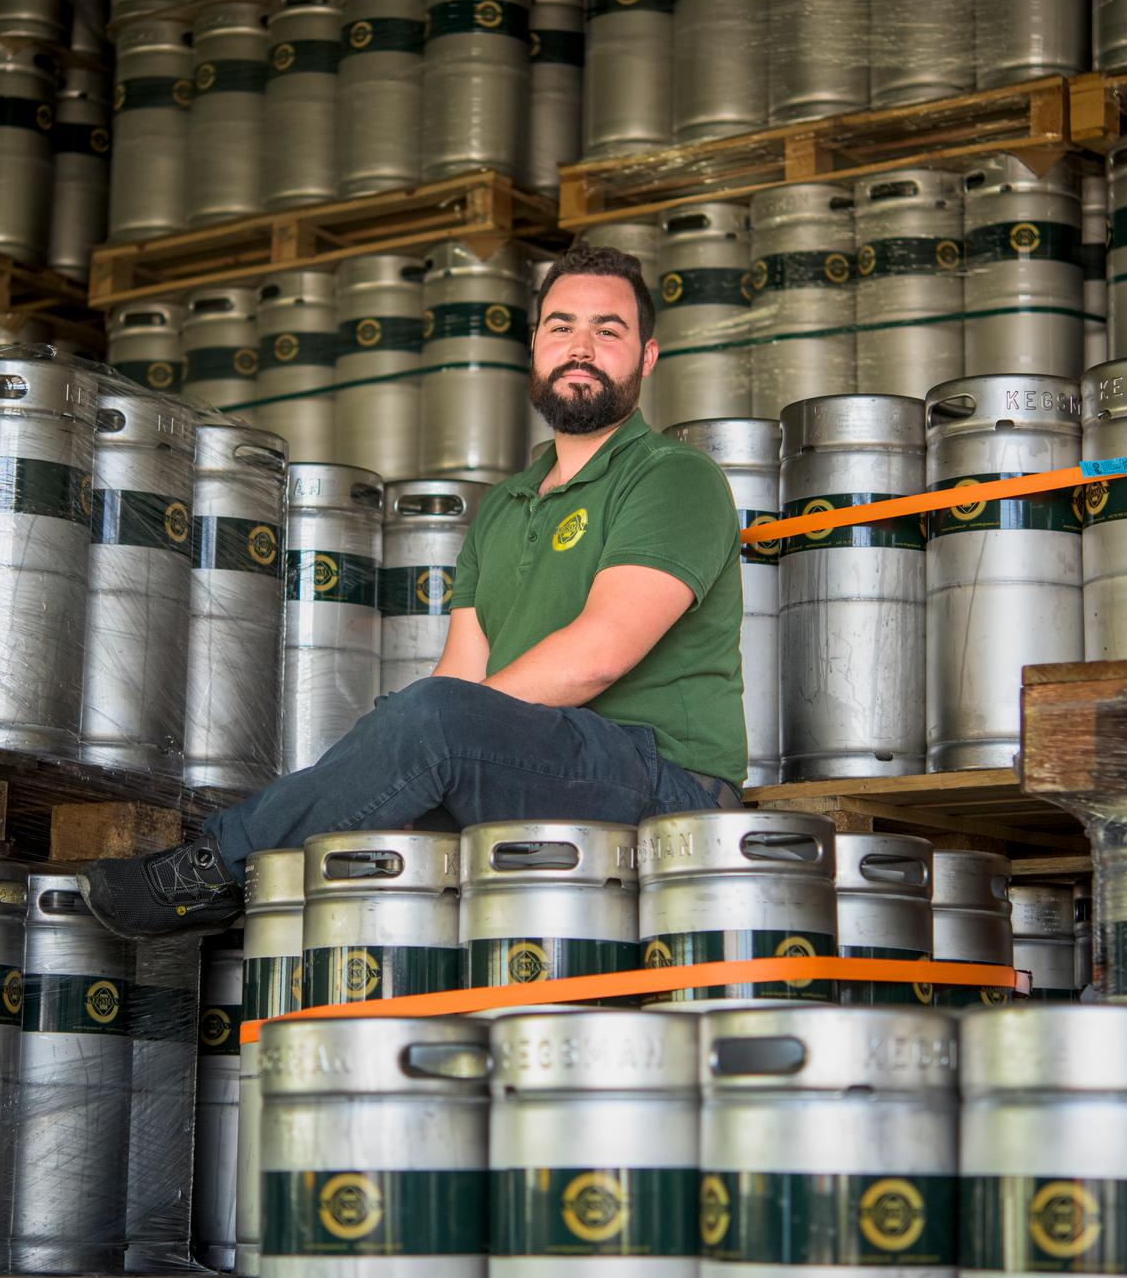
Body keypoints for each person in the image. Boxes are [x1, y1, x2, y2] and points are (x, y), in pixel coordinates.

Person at [81, 244, 747, 937]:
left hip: (664, 783)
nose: (581, 347)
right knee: (397, 760)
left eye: (608, 331)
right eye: (561, 327)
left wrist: (436, 725)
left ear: (646, 357)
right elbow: (461, 671)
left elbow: (597, 655)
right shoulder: (505, 505)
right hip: (535, 763)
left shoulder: (674, 477)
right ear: (534, 347)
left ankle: (216, 869)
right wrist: (397, 751)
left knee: (428, 722)